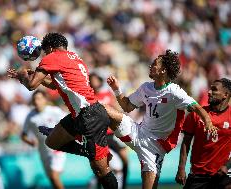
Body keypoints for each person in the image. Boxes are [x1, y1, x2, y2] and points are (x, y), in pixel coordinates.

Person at [7, 32, 120, 189]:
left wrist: (22, 76)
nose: (43, 55)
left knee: (101, 170)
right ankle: (88, 150)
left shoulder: (51, 58)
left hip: (89, 116)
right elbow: (55, 84)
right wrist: (36, 76)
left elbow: (31, 85)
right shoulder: (75, 58)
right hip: (83, 114)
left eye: (45, 52)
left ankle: (91, 152)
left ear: (51, 48)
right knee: (52, 141)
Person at [106, 49, 217, 189]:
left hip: (155, 148)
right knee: (103, 109)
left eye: (154, 64)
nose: (151, 66)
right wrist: (117, 89)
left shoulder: (174, 91)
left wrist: (208, 122)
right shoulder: (146, 87)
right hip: (138, 133)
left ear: (163, 70)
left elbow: (197, 107)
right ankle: (97, 147)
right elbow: (127, 106)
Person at [175, 78, 231, 189]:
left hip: (223, 175)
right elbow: (186, 143)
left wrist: (226, 165)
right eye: (210, 89)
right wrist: (181, 168)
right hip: (198, 175)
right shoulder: (195, 115)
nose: (209, 92)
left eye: (214, 90)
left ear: (225, 95)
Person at [89, 72, 129, 189]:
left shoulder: (107, 94)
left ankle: (124, 184)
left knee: (124, 160)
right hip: (99, 136)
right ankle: (98, 185)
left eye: (95, 79)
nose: (94, 82)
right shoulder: (90, 98)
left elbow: (116, 110)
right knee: (101, 165)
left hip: (111, 134)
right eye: (91, 80)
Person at [21, 90, 67, 189]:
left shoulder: (54, 111)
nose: (37, 101)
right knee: (51, 178)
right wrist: (30, 141)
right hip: (43, 151)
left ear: (45, 100)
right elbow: (23, 135)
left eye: (39, 99)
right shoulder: (31, 117)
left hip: (57, 148)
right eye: (35, 99)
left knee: (54, 176)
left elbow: (68, 122)